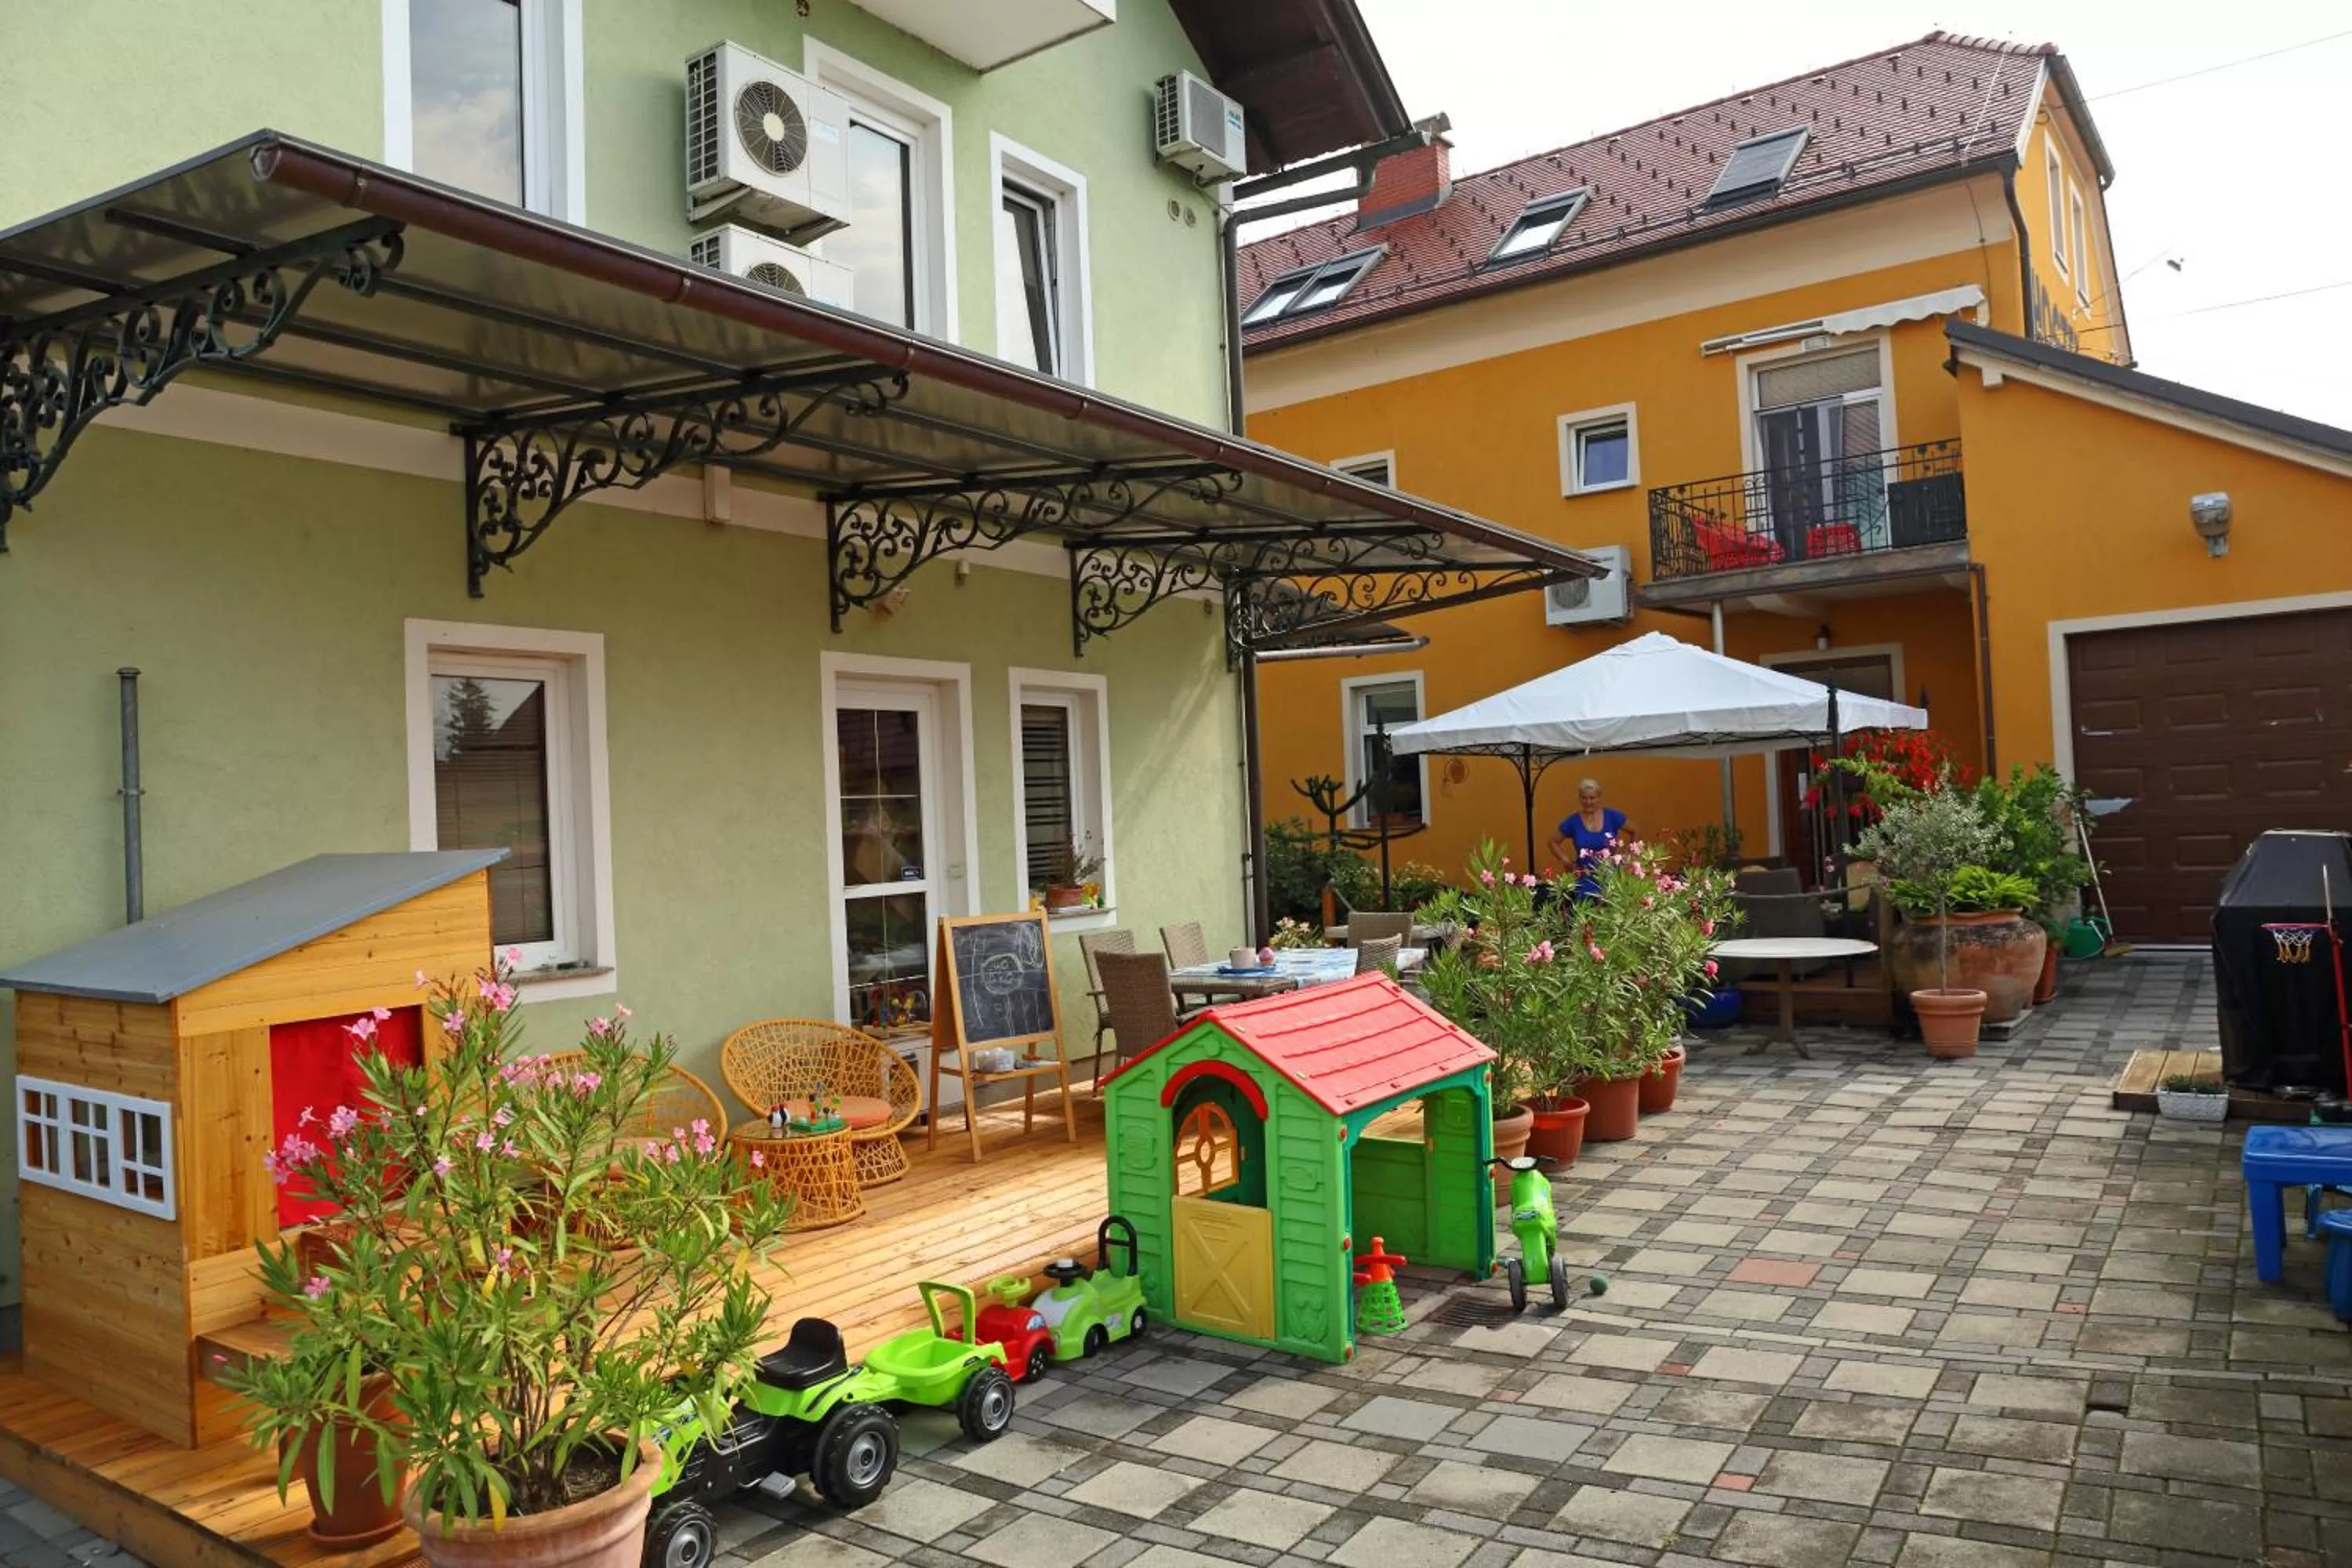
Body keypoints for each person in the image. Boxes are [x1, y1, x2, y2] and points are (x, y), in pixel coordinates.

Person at [1548, 779, 1631, 900]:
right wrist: (1565, 860)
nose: (1588, 802)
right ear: (1579, 798)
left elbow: (1635, 831)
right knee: (1585, 914)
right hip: (1585, 877)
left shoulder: (1612, 816)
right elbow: (1553, 842)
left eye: (1592, 798)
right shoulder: (1573, 821)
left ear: (1599, 797)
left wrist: (1629, 856)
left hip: (1610, 876)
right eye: (1584, 798)